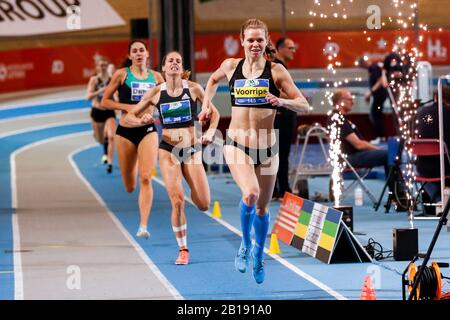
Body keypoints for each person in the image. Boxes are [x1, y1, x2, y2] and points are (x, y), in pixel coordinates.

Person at [202, 19, 309, 284]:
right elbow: (212, 81)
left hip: (267, 147)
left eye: (259, 40)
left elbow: (303, 104)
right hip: (237, 144)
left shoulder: (277, 71)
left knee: (262, 209)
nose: (255, 44)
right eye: (250, 39)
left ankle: (259, 255)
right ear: (242, 40)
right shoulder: (230, 66)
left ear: (266, 41)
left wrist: (281, 100)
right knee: (250, 194)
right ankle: (244, 244)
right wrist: (206, 105)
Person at [124, 51, 220, 264]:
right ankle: (183, 249)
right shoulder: (156, 93)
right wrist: (142, 121)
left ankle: (193, 192)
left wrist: (211, 131)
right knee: (177, 201)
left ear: (181, 67)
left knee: (203, 204)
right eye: (171, 61)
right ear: (164, 68)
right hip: (167, 150)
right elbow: (129, 117)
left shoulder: (194, 88)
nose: (175, 63)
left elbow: (215, 114)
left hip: (191, 149)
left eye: (178, 60)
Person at [102, 40, 164, 239]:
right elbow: (105, 101)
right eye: (134, 51)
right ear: (130, 56)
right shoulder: (121, 74)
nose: (138, 53)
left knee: (146, 177)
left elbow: (166, 99)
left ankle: (143, 226)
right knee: (130, 186)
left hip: (148, 129)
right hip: (126, 131)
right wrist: (128, 108)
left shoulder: (156, 77)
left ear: (147, 54)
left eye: (142, 50)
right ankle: (135, 161)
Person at [271, 37, 299, 200]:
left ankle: (277, 189)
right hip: (281, 116)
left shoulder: (280, 67)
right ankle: (283, 190)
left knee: (278, 154)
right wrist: (295, 98)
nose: (293, 51)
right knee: (280, 153)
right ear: (280, 49)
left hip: (283, 114)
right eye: (290, 48)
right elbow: (274, 91)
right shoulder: (278, 67)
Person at [416, 86, 450, 203]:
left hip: (422, 168)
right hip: (445, 167)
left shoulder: (421, 112)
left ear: (435, 97)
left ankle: (437, 199)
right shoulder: (448, 113)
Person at [86, 57, 117, 173]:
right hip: (97, 111)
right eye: (101, 65)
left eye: (105, 64)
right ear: (98, 67)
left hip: (109, 111)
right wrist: (100, 91)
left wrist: (117, 100)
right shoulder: (94, 80)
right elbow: (88, 97)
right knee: (100, 139)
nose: (103, 67)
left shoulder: (112, 79)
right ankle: (100, 137)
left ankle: (109, 163)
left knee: (112, 137)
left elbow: (117, 94)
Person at [357, 56, 389, 144]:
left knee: (375, 115)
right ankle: (381, 136)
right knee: (376, 115)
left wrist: (370, 92)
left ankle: (380, 136)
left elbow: (380, 81)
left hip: (380, 95)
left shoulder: (375, 68)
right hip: (377, 96)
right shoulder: (371, 70)